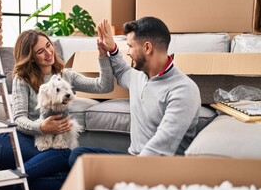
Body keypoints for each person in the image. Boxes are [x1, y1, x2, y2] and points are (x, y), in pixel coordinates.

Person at [0, 29, 114, 190]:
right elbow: (18, 119)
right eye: (40, 51)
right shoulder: (21, 80)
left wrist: (102, 55)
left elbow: (104, 86)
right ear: (30, 57)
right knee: (65, 157)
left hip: (50, 149)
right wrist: (42, 127)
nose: (49, 53)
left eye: (48, 46)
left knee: (69, 179)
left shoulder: (66, 75)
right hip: (12, 144)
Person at [69, 17, 201, 166]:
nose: (129, 52)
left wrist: (132, 171)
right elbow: (122, 72)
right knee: (78, 156)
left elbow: (161, 145)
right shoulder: (140, 75)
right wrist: (112, 49)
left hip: (161, 168)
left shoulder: (183, 90)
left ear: (147, 48)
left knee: (79, 173)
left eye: (130, 46)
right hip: (133, 158)